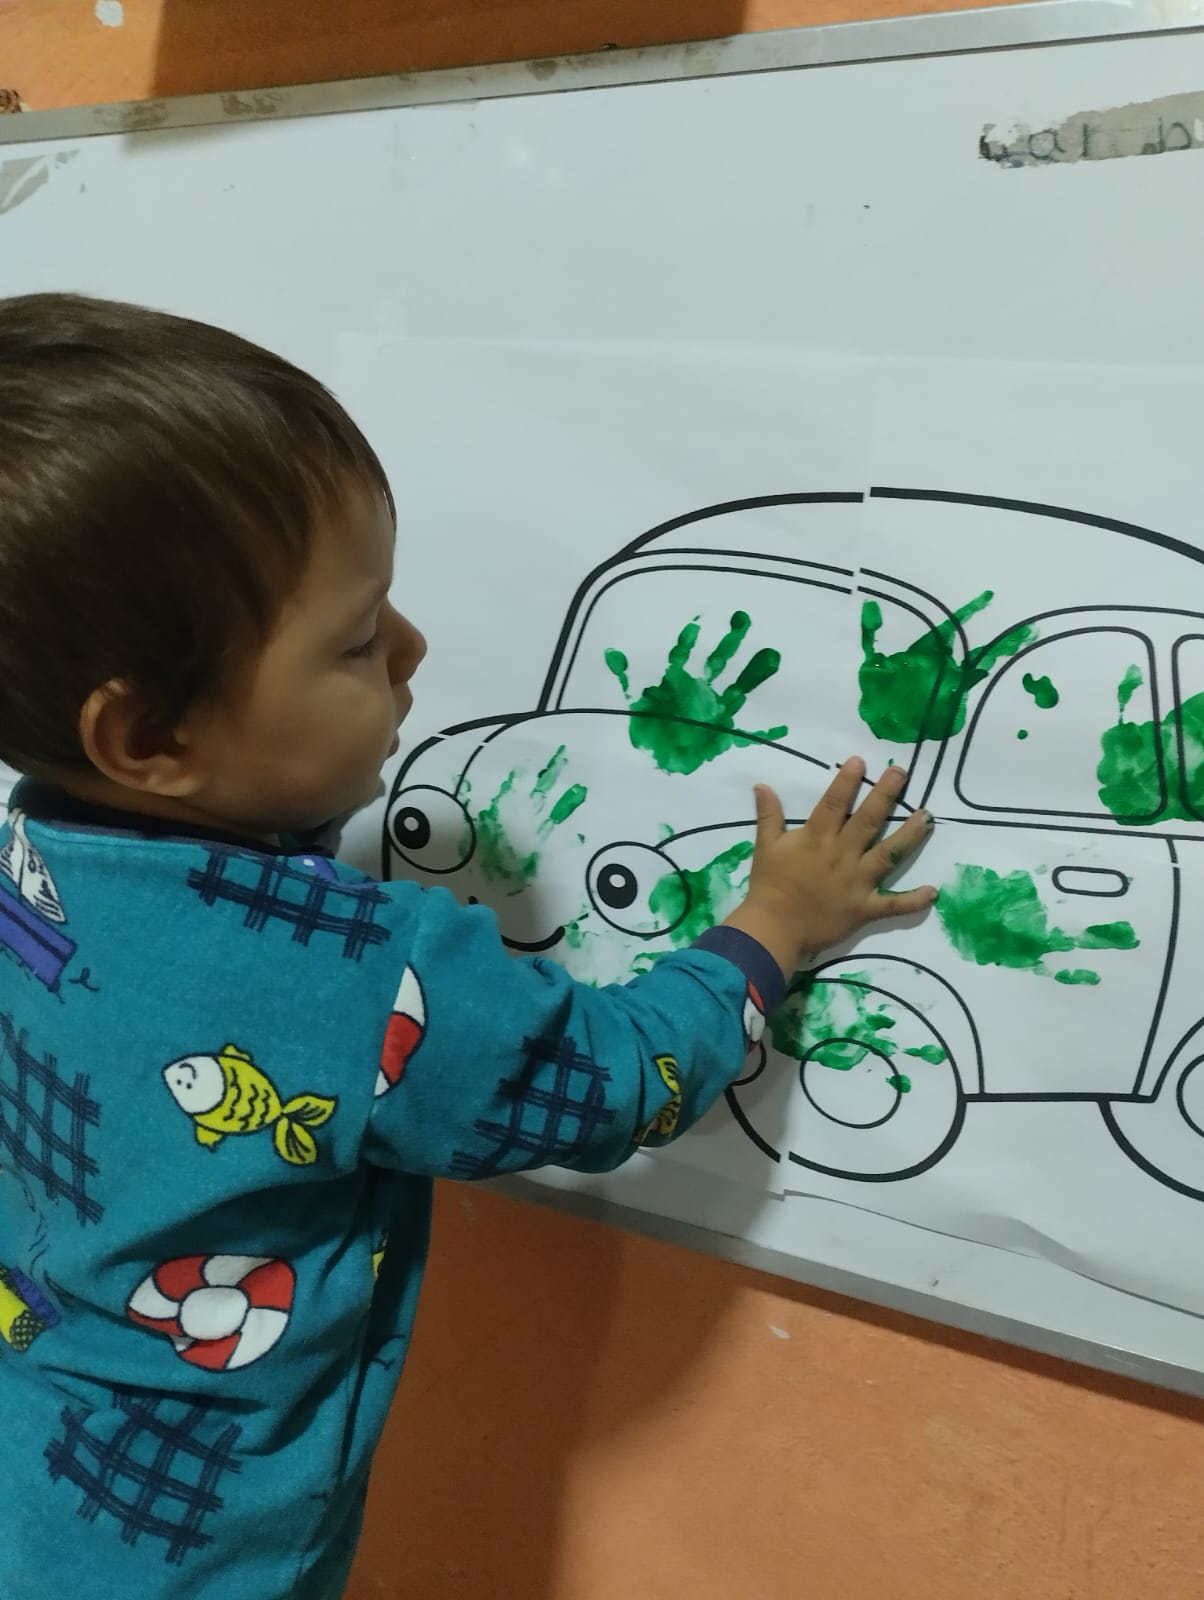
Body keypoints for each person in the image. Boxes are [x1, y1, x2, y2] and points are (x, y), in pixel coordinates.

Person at [0, 293, 936, 1599]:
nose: (413, 648)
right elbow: (614, 1083)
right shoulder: (365, 972)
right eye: (355, 639)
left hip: (41, 1456)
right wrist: (774, 923)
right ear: (151, 738)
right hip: (200, 1547)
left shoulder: (34, 853)